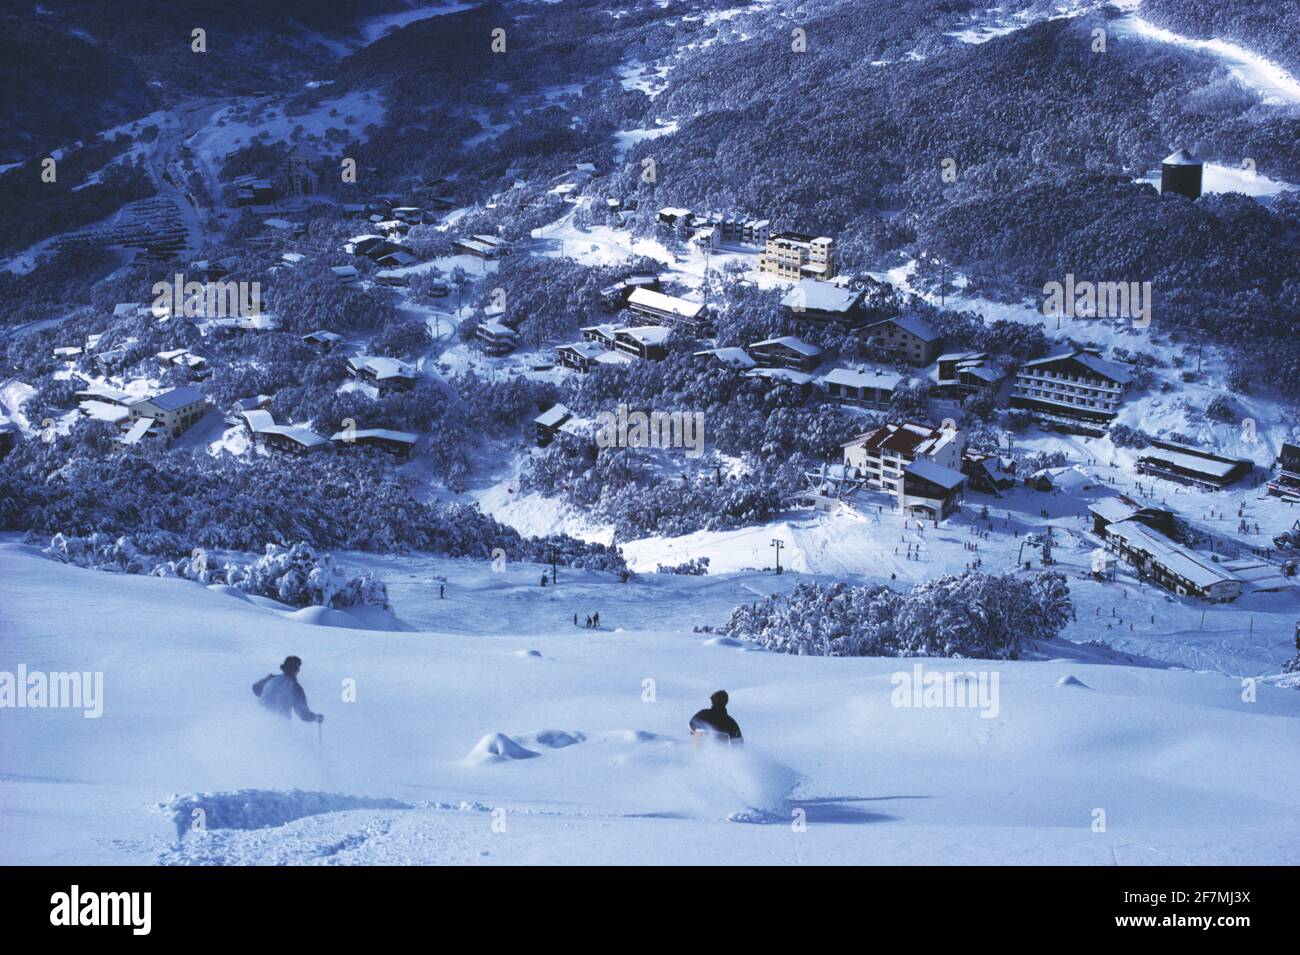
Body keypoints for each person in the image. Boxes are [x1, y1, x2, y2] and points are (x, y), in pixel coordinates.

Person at [252, 656, 322, 724]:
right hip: (279, 724)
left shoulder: (271, 678)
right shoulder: (296, 688)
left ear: (284, 668)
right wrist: (316, 717)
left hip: (258, 719)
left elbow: (256, 688)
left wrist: (267, 697)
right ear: (297, 670)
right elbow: (304, 714)